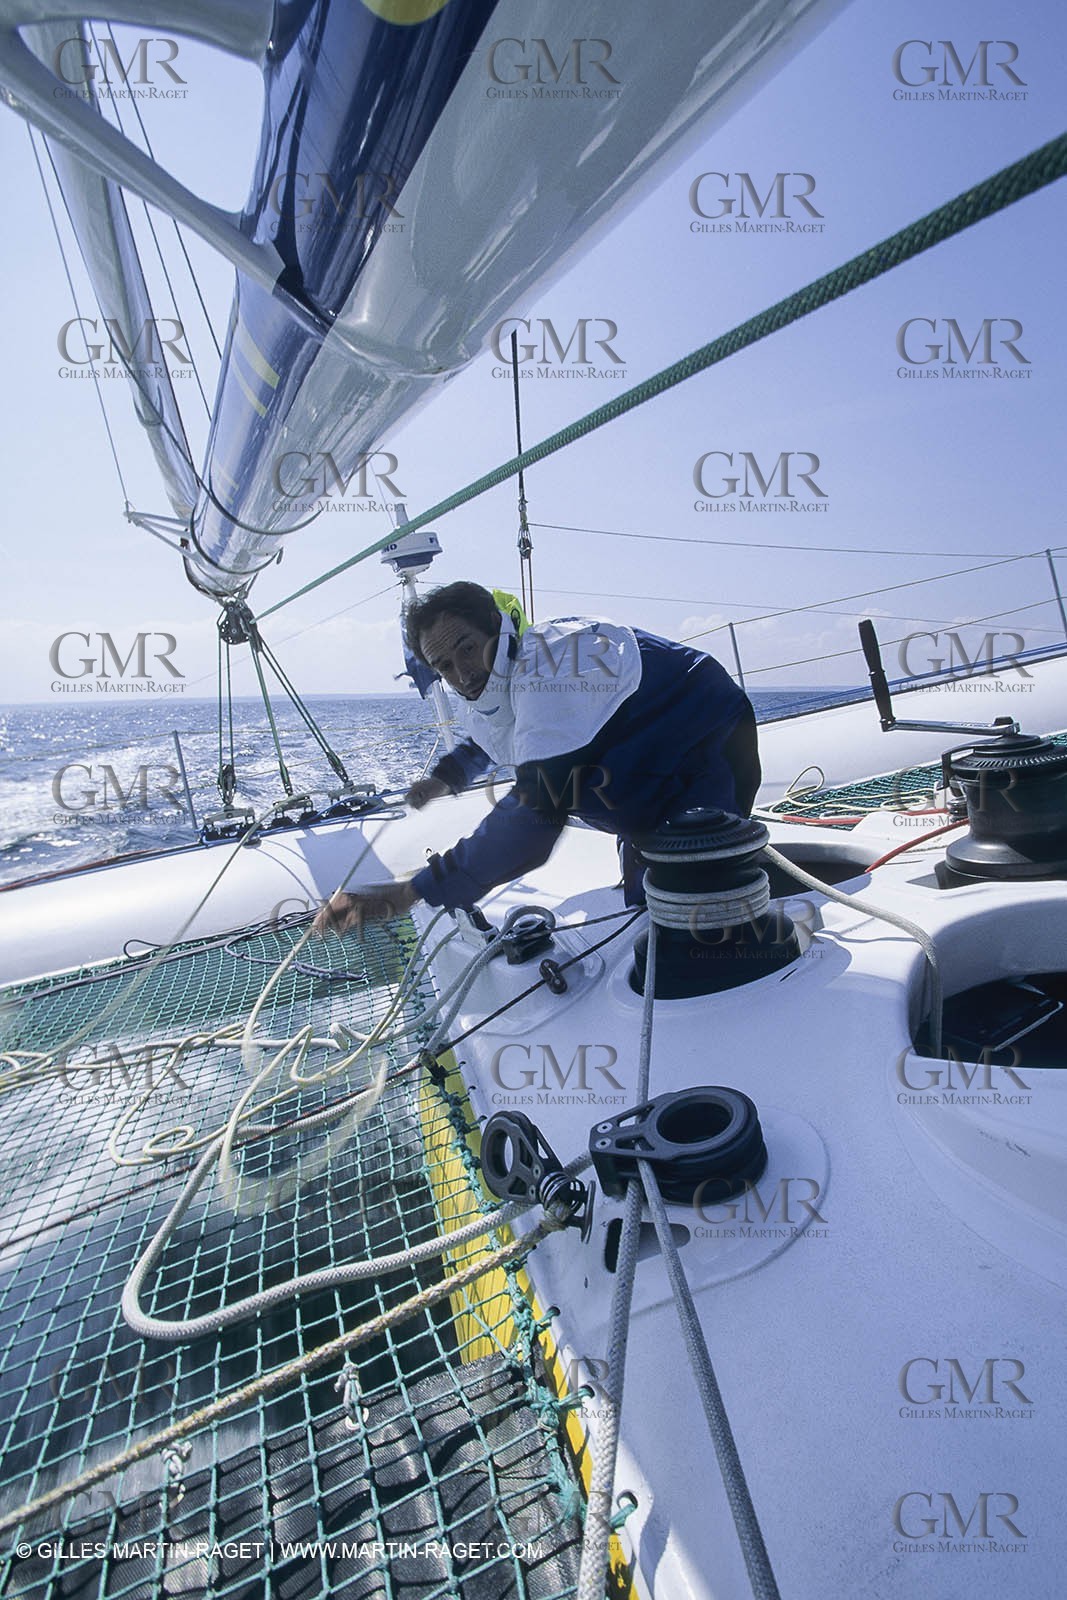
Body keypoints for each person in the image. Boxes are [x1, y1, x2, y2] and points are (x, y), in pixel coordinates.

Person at [314, 581, 760, 935]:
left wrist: (410, 892)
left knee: (703, 906)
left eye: (467, 648)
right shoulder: (496, 679)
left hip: (709, 744)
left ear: (495, 626)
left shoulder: (550, 666)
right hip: (638, 766)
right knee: (647, 902)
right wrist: (445, 779)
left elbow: (535, 816)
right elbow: (495, 733)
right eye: (444, 666)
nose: (462, 674)